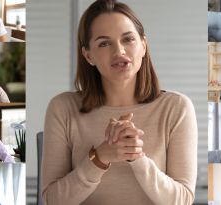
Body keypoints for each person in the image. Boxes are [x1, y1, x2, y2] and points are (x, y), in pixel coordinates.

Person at [42, 0, 197, 204]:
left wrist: (137, 157)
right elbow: (53, 200)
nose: (119, 51)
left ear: (143, 45)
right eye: (104, 43)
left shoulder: (177, 108)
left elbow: (183, 200)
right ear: (88, 55)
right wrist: (99, 158)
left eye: (128, 39)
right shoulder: (62, 108)